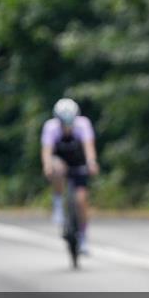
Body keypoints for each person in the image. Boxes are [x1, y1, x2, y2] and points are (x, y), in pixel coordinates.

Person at [41, 98, 99, 254]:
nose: (67, 126)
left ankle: (83, 237)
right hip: (60, 162)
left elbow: (88, 146)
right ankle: (58, 203)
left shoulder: (83, 124)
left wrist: (92, 162)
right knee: (58, 167)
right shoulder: (51, 128)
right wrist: (47, 166)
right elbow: (47, 151)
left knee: (81, 200)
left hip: (78, 163)